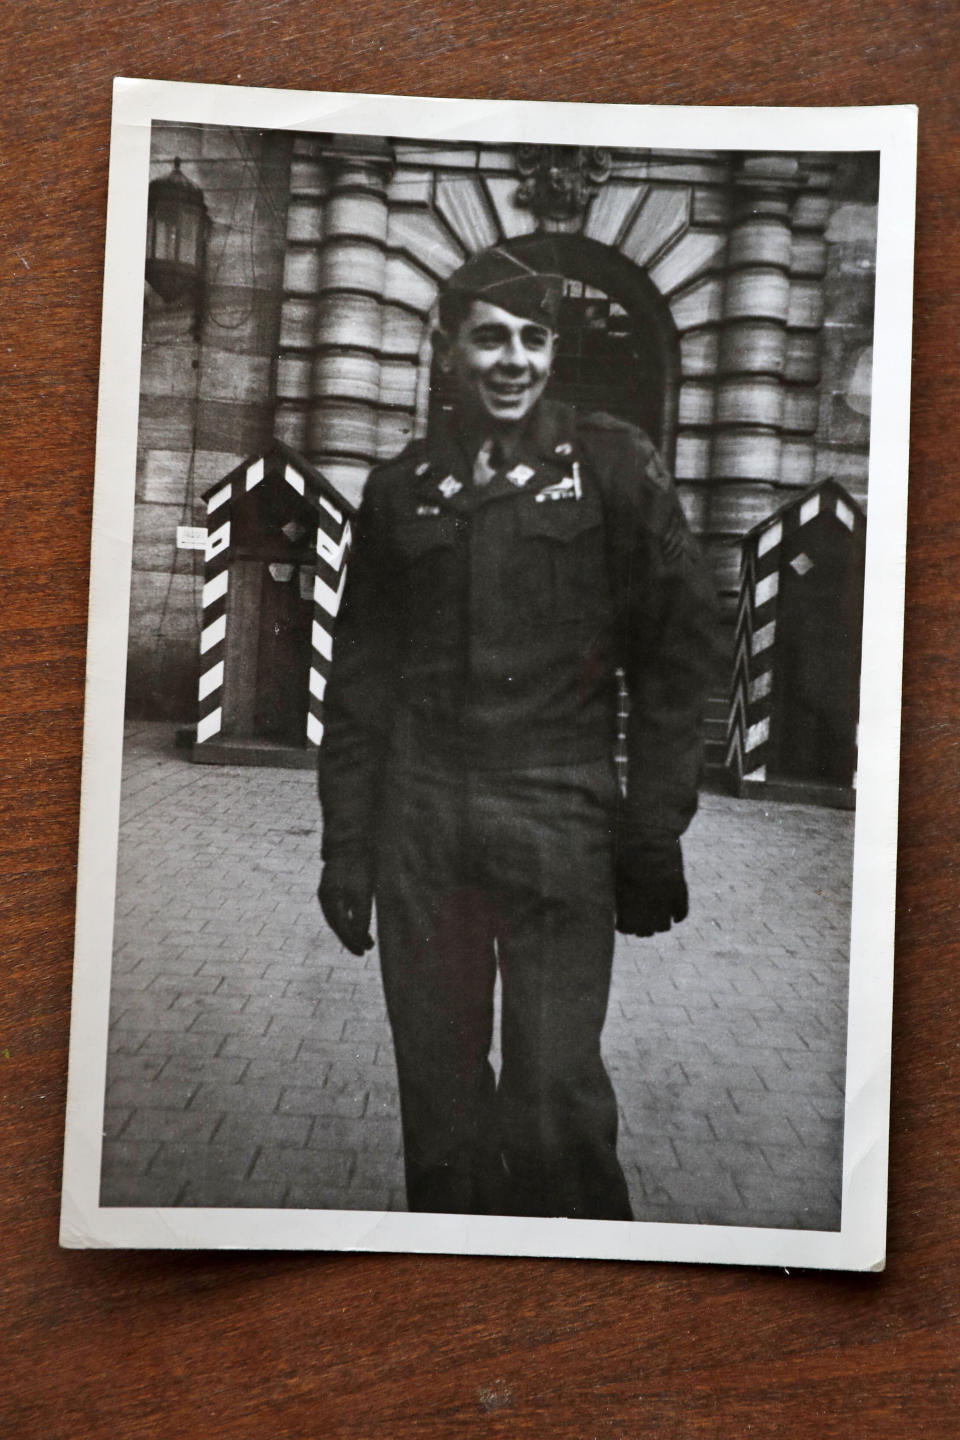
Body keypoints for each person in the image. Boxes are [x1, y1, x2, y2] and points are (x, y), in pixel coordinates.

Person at [317, 243, 717, 1220]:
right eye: (490, 337)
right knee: (444, 1115)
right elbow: (360, 685)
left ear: (552, 353)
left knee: (556, 1106)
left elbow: (677, 651)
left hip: (557, 820)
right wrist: (348, 847)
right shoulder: (398, 490)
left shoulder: (614, 466)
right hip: (424, 824)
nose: (513, 360)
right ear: (449, 349)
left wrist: (655, 824)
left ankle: (587, 1305)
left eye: (533, 339)